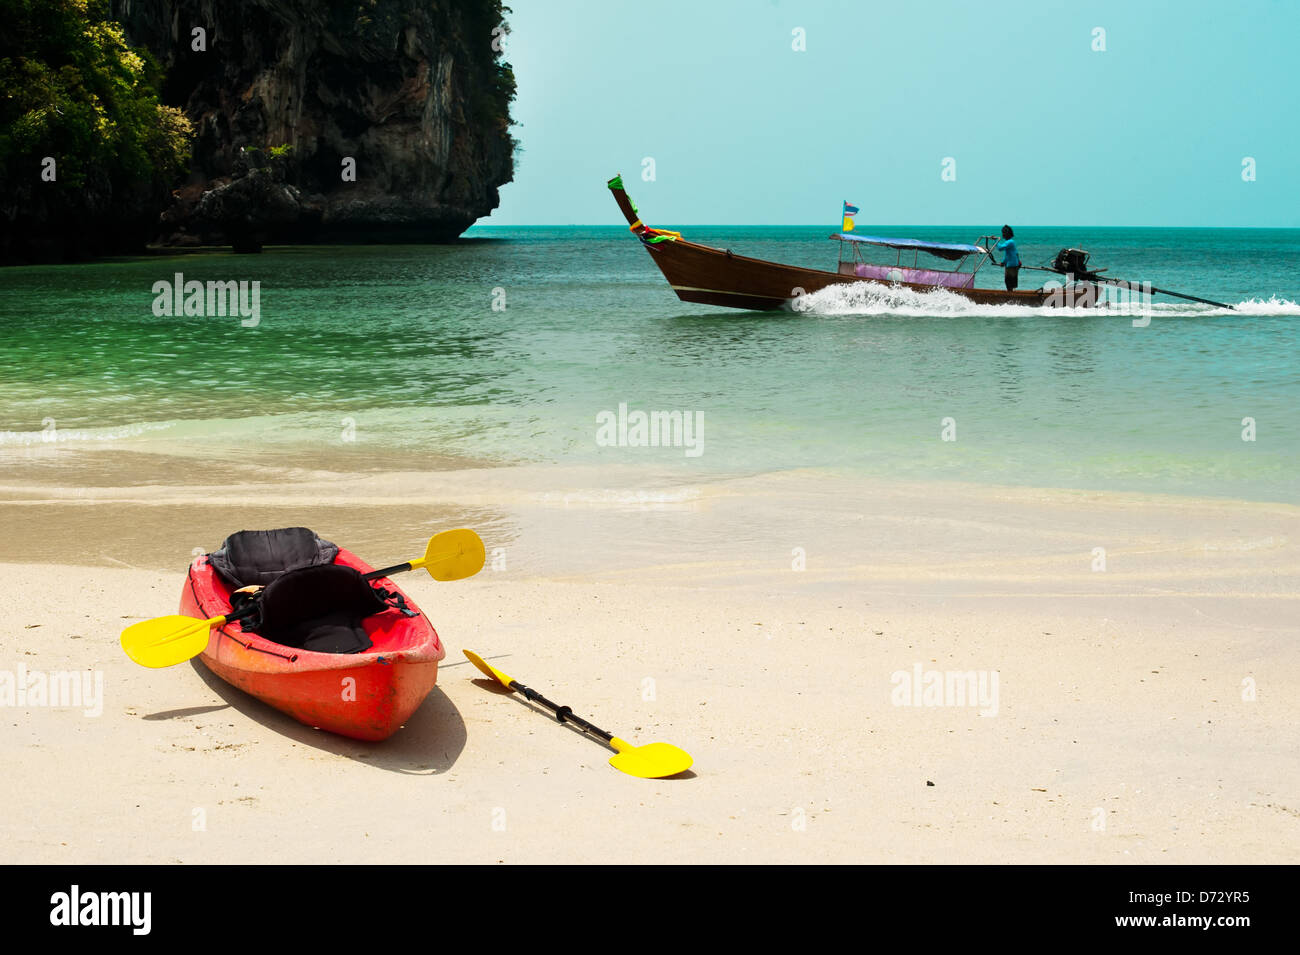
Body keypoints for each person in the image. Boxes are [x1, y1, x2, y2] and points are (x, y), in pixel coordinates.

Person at [992, 225, 1020, 291]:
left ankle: (1010, 297)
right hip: (1011, 264)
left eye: (1004, 233)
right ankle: (1011, 295)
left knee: (1009, 282)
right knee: (1009, 283)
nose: (1003, 234)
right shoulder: (1010, 242)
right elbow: (1008, 254)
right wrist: (1004, 262)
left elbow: (1000, 248)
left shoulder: (1010, 242)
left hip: (1012, 265)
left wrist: (996, 240)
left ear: (1007, 233)